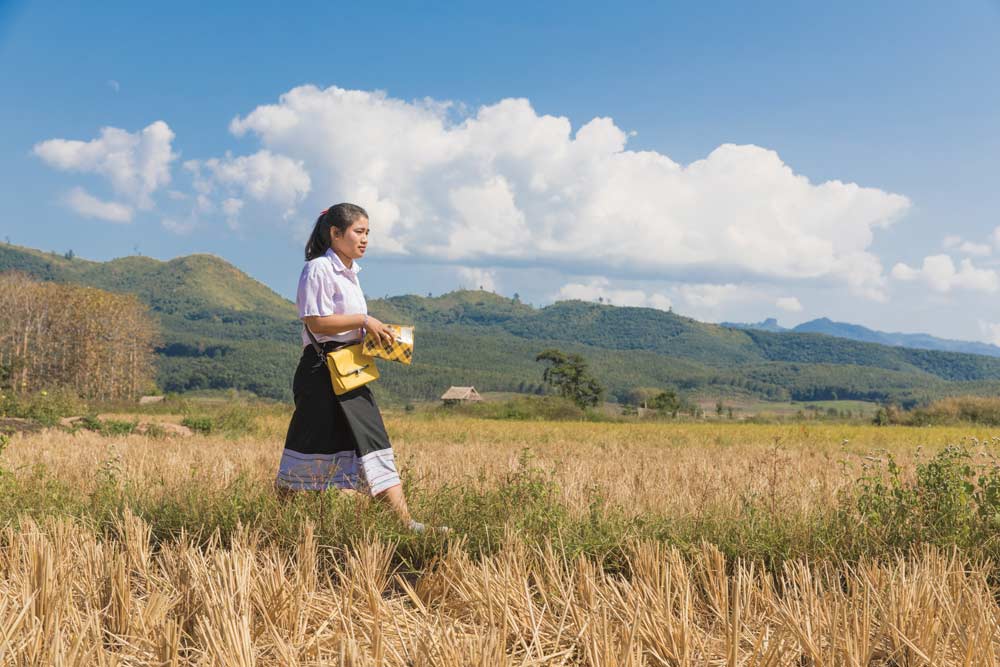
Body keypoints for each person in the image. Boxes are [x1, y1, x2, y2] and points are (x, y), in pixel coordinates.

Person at [275, 203, 434, 532]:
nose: (364, 240)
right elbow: (316, 321)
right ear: (335, 233)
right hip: (322, 372)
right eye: (358, 232)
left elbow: (343, 325)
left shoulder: (350, 274)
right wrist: (364, 319)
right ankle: (277, 521)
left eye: (367, 233)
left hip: (350, 369)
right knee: (307, 445)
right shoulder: (318, 269)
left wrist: (376, 334)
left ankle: (404, 523)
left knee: (374, 441)